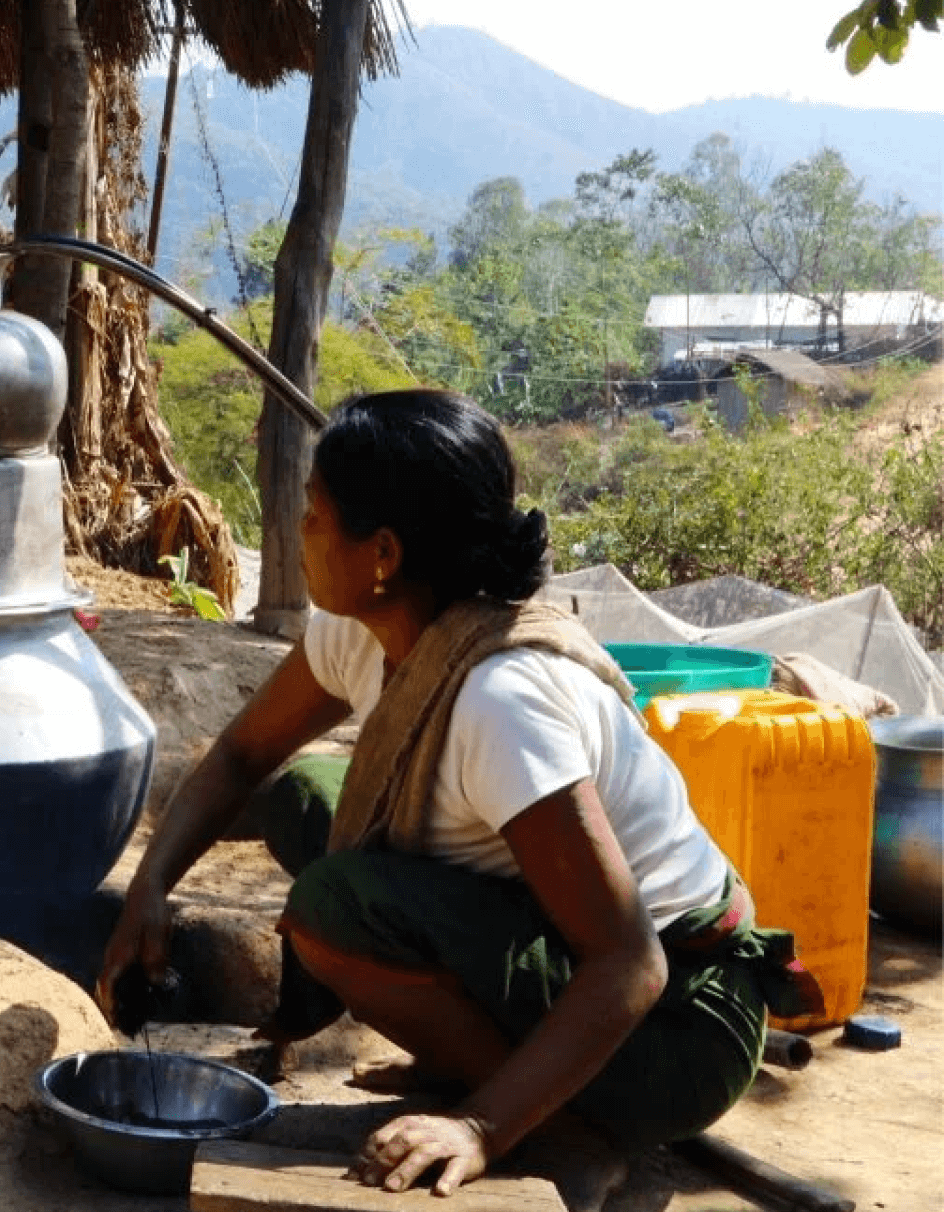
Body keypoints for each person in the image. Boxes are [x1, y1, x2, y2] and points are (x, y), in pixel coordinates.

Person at [95, 389, 816, 1206]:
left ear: (384, 555)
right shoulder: (367, 625)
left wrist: (480, 1126)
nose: (300, 533)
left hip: (678, 1029)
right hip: (579, 959)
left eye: (316, 516)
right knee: (304, 797)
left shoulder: (502, 701)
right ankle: (491, 1061)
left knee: (336, 904)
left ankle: (561, 1129)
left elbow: (629, 961)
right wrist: (150, 887)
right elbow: (242, 753)